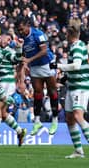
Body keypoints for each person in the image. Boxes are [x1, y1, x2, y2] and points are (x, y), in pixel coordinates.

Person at [50, 23, 89, 159]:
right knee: (70, 119)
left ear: (70, 34)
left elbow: (77, 66)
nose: (65, 35)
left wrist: (58, 66)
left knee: (78, 116)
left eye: (66, 33)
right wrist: (63, 79)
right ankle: (78, 151)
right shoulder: (75, 46)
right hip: (72, 87)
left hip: (81, 87)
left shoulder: (78, 47)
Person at [16, 18, 59, 135]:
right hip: (35, 67)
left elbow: (44, 51)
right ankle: (37, 121)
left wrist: (29, 60)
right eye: (19, 30)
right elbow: (22, 56)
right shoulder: (21, 39)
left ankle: (55, 119)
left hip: (47, 64)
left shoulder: (38, 34)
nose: (21, 32)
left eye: (22, 29)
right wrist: (22, 76)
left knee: (52, 91)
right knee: (37, 93)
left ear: (27, 25)